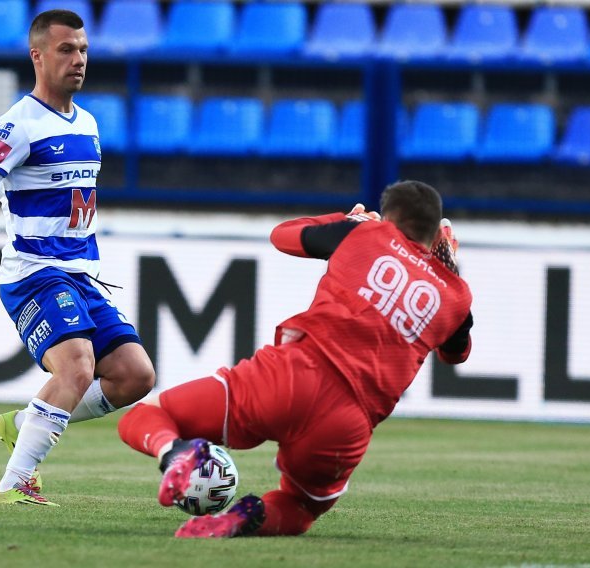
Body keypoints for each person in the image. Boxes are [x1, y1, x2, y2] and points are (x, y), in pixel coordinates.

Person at [118, 180, 473, 537]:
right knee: (302, 506)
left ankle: (174, 454)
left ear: (390, 216)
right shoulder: (457, 296)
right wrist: (450, 274)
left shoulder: (367, 235)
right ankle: (239, 520)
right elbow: (455, 354)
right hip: (348, 422)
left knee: (150, 414)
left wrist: (349, 220)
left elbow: (284, 235)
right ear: (435, 232)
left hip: (291, 376)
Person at [0, 9, 155, 506]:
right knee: (76, 368)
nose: (78, 60)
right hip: (35, 274)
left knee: (134, 376)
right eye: (65, 50)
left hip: (82, 276)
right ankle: (12, 485)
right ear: (37, 56)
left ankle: (26, 421)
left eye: (82, 50)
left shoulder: (90, 122)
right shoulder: (19, 124)